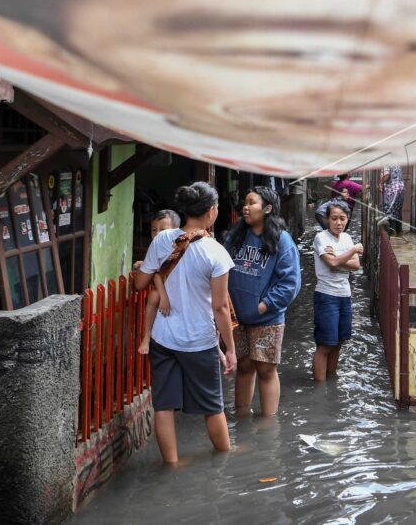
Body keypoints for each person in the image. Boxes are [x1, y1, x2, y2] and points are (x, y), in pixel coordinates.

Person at [134, 182, 237, 458]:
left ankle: (172, 464)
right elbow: (220, 308)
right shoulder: (216, 253)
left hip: (163, 338)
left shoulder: (161, 240)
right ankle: (225, 461)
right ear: (211, 212)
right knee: (212, 407)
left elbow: (140, 283)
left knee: (164, 406)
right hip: (199, 341)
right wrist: (230, 349)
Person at [224, 186, 301, 416]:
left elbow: (291, 284)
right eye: (245, 203)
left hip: (267, 317)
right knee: (244, 367)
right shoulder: (235, 236)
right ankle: (241, 416)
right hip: (237, 317)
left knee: (266, 370)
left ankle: (268, 425)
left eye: (251, 203)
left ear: (267, 208)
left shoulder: (282, 240)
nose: (245, 208)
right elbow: (221, 270)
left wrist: (264, 305)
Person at [312, 201, 362, 381]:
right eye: (334, 218)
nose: (338, 223)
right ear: (327, 219)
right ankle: (320, 389)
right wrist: (354, 250)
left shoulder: (346, 238)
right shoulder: (321, 238)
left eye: (342, 219)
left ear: (347, 219)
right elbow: (331, 264)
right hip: (326, 295)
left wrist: (339, 258)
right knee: (325, 344)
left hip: (344, 295)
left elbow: (356, 265)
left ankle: (331, 382)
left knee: (339, 342)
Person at [381, 166, 405, 235]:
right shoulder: (397, 163)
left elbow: (386, 174)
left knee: (390, 210)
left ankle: (391, 233)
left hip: (392, 188)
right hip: (400, 188)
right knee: (397, 210)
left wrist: (380, 183)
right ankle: (399, 231)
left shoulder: (387, 161)